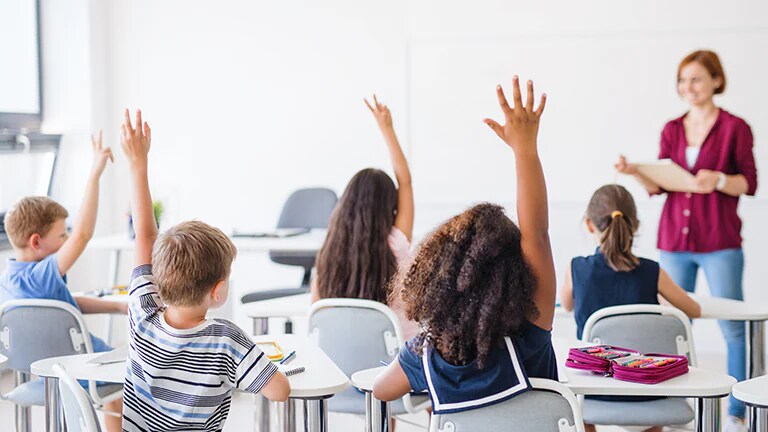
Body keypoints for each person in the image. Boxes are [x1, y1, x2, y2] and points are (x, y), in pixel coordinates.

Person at [119, 109, 290, 431]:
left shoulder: (142, 311)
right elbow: (279, 392)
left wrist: (137, 163)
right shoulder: (226, 339)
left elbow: (144, 234)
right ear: (217, 291)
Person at [616, 50, 757, 431]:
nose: (688, 87)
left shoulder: (735, 127)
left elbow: (750, 181)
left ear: (715, 80)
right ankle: (667, 407)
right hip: (675, 240)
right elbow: (660, 184)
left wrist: (721, 181)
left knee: (732, 325)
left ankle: (738, 413)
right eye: (682, 81)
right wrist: (636, 173)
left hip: (719, 240)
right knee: (670, 322)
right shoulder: (672, 129)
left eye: (695, 79)